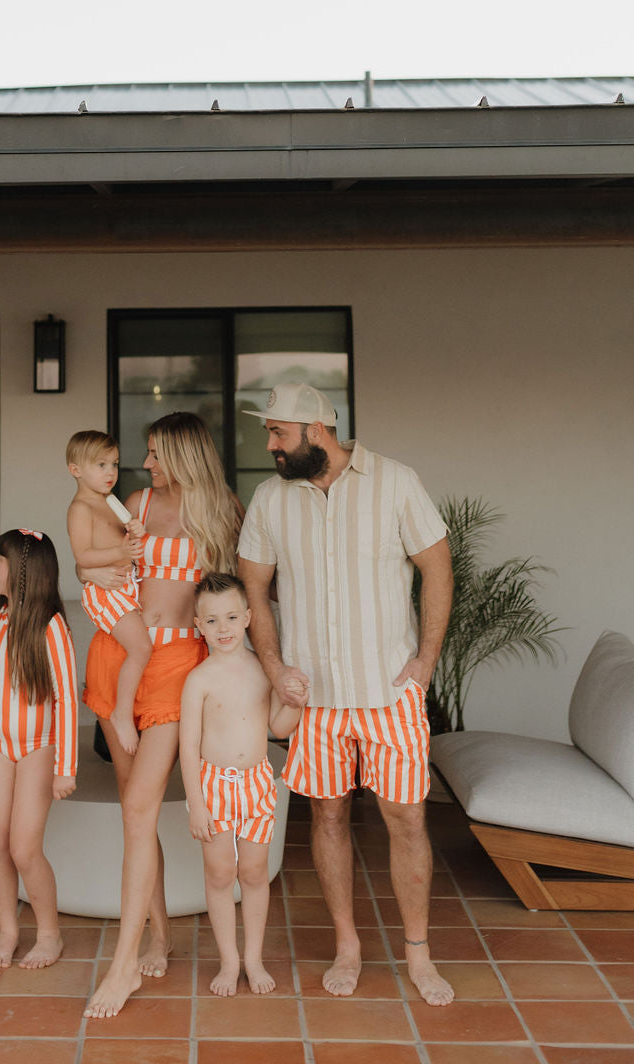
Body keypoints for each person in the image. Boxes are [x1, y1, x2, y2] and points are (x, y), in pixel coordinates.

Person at [237, 382, 455, 1007]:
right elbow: (254, 588)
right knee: (327, 815)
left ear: (318, 431)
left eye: (279, 432)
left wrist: (426, 660)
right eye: (269, 432)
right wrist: (275, 666)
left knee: (406, 817)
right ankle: (348, 946)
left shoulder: (396, 481)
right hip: (318, 700)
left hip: (391, 693)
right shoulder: (270, 498)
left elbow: (438, 566)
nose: (270, 444)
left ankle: (418, 952)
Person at [82, 411, 243, 1019]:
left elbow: (246, 591)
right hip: (119, 653)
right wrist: (94, 572)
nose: (145, 464)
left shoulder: (224, 509)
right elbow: (89, 563)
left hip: (180, 664)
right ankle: (158, 935)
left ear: (183, 454)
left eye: (155, 453)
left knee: (137, 804)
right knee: (137, 812)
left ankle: (121, 968)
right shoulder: (136, 504)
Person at [0, 529, 78, 970]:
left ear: (23, 571)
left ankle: (50, 934)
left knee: (24, 847)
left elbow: (66, 698)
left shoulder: (51, 627)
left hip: (38, 748)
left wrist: (66, 766)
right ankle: (8, 931)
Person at [180, 572, 303, 997]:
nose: (223, 628)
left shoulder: (261, 670)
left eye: (231, 617)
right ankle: (229, 960)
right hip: (213, 786)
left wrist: (297, 705)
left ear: (249, 617)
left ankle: (253, 957)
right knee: (219, 873)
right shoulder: (199, 680)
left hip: (256, 783)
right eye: (212, 621)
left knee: (253, 872)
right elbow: (187, 748)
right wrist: (196, 805)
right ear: (198, 625)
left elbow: (277, 728)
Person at [66, 429, 151, 756]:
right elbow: (83, 556)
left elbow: (128, 541)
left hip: (124, 586)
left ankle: (125, 709)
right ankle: (121, 712)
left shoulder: (108, 503)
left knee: (140, 647)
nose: (111, 472)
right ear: (76, 470)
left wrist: (135, 531)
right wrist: (122, 550)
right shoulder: (81, 508)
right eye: (100, 465)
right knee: (141, 648)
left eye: (114, 464)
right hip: (106, 591)